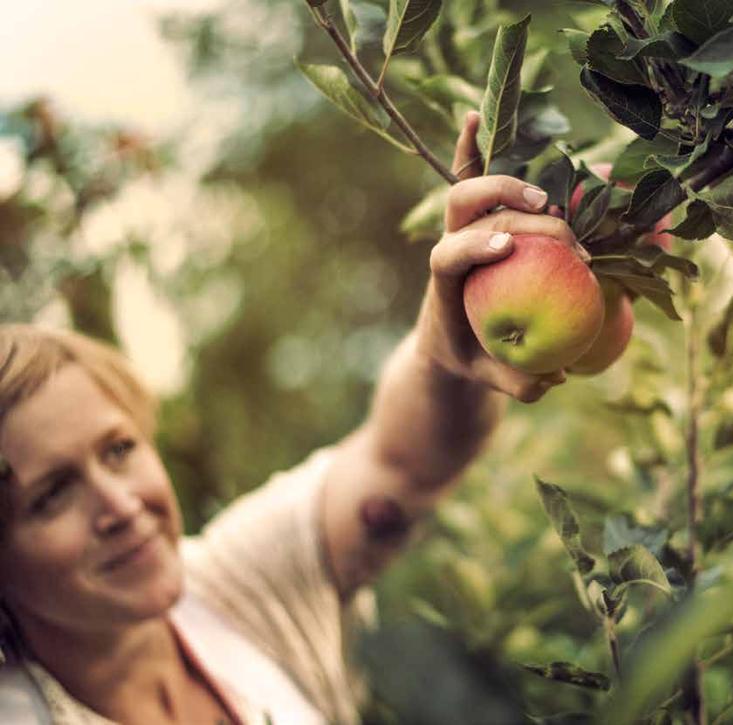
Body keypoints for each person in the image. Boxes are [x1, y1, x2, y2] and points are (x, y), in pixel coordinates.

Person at [0, 112, 587, 724]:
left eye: (118, 449)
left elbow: (401, 463)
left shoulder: (228, 590)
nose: (119, 506)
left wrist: (448, 353)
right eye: (51, 495)